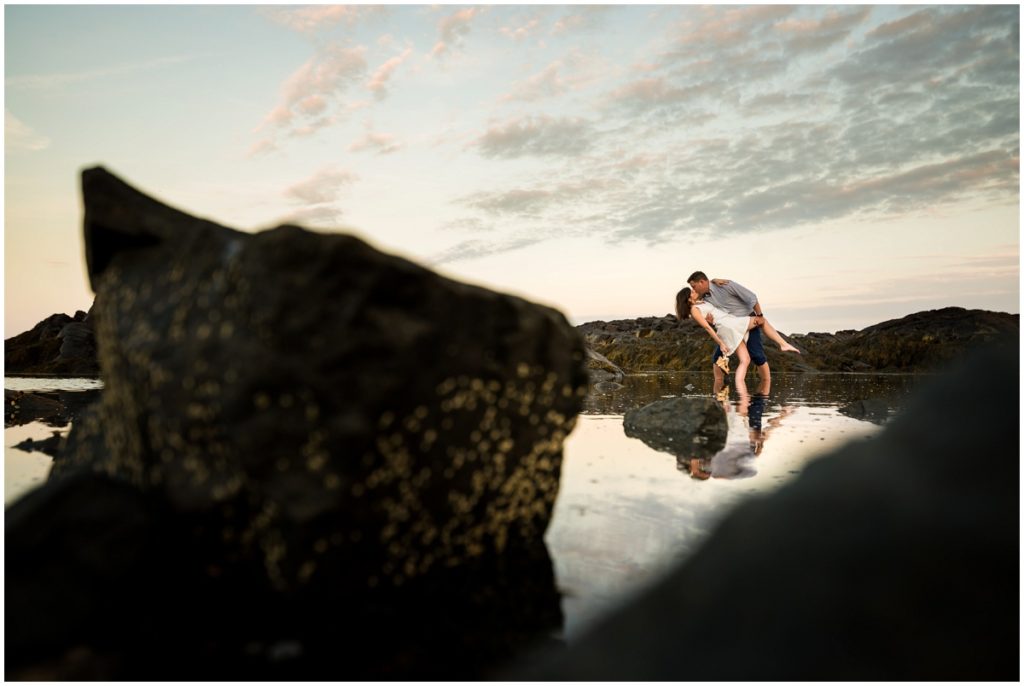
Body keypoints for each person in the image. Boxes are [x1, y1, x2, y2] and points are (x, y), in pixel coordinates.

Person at [686, 271, 797, 390]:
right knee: (718, 357)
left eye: (694, 286)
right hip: (730, 325)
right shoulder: (704, 298)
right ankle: (718, 387)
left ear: (702, 282)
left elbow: (752, 297)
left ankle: (766, 385)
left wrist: (759, 315)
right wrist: (710, 321)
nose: (694, 290)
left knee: (757, 355)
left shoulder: (725, 285)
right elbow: (710, 316)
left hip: (745, 320)